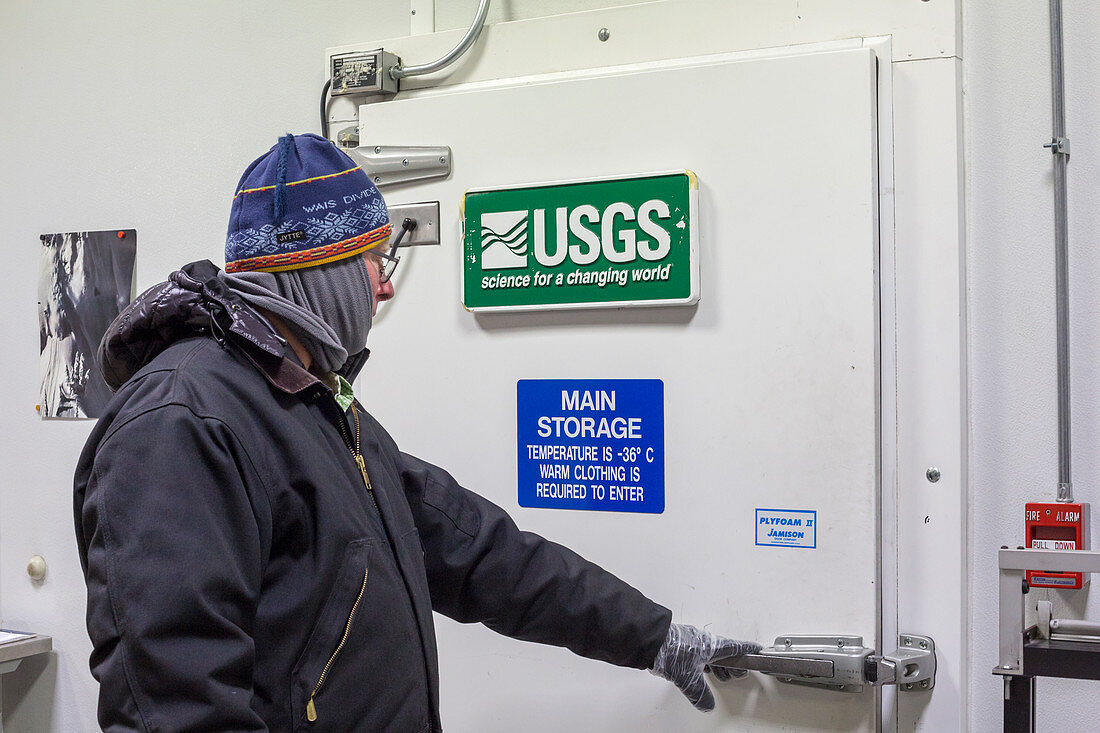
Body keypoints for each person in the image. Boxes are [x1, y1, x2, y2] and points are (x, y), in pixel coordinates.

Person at [74, 133, 759, 732]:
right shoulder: (182, 422)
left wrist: (655, 636)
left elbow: (484, 554)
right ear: (321, 267)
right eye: (376, 261)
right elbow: (176, 705)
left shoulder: (315, 405)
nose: (385, 289)